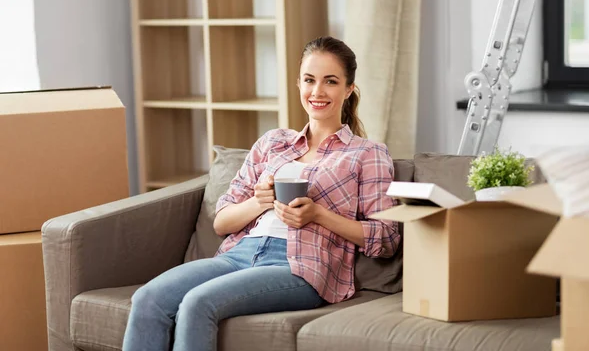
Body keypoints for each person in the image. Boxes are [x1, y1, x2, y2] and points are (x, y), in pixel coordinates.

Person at [122, 36, 401, 351]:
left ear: (349, 89)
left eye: (331, 81)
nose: (317, 91)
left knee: (198, 303)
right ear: (298, 84)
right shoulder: (273, 142)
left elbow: (386, 238)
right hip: (239, 255)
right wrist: (258, 202)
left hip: (299, 266)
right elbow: (221, 222)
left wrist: (318, 215)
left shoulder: (367, 153)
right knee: (148, 299)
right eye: (309, 80)